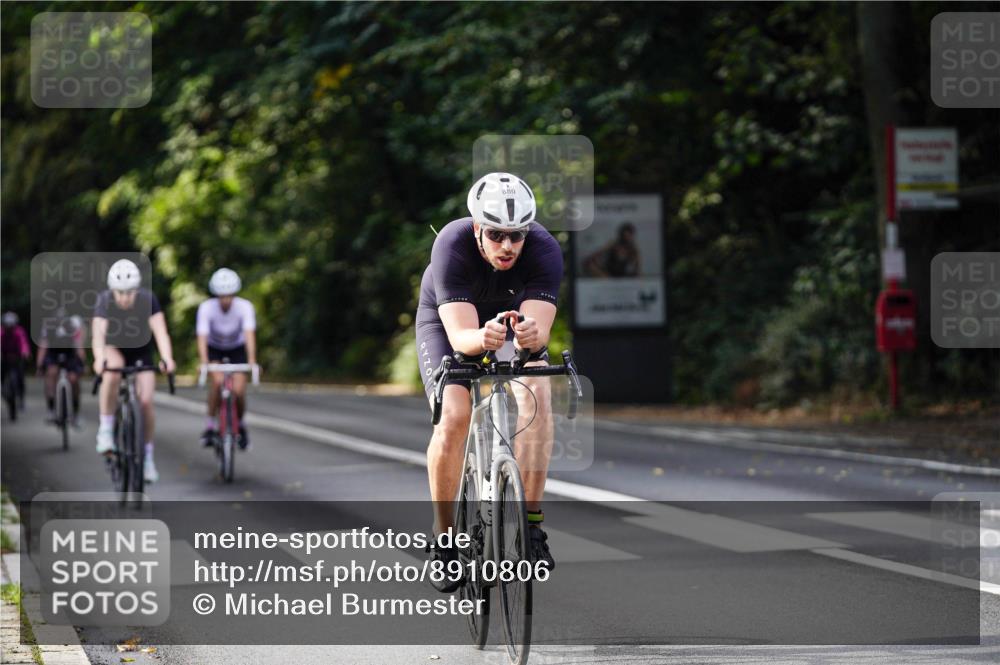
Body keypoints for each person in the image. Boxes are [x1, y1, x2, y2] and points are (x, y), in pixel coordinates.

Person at [416, 172, 563, 592]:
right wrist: (480, 339)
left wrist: (532, 336)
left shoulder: (546, 250)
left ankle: (532, 529)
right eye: (496, 234)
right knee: (455, 416)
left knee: (538, 393)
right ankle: (445, 542)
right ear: (478, 228)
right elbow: (462, 338)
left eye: (516, 235)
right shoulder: (451, 244)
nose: (507, 246)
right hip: (451, 326)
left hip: (508, 325)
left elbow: (537, 332)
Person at [92, 259, 176, 483]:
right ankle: (106, 429)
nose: (125, 297)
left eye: (129, 292)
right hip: (114, 348)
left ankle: (147, 458)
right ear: (113, 291)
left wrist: (167, 358)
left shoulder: (148, 300)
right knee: (113, 370)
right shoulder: (105, 301)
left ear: (137, 290)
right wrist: (99, 358)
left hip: (140, 352)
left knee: (146, 401)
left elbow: (160, 332)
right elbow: (99, 335)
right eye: (120, 292)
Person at [196, 268, 257, 450]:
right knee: (217, 382)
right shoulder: (206, 308)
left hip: (236, 349)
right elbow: (202, 337)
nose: (225, 300)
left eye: (229, 295)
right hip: (214, 349)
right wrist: (204, 361)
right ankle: (210, 425)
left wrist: (252, 360)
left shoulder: (245, 307)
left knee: (238, 390)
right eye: (221, 296)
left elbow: (249, 334)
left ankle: (241, 424)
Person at [36, 309, 86, 427]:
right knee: (51, 373)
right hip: (53, 354)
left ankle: (75, 413)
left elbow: (78, 345)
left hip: (69, 355)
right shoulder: (48, 328)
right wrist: (39, 365)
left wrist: (82, 363)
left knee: (74, 379)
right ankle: (51, 409)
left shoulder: (72, 327)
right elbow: (43, 346)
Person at [1, 311, 31, 410]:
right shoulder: (1, 332)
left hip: (17, 358)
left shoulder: (19, 331)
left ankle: (21, 399)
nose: (9, 329)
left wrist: (25, 353)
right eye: (7, 326)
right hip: (4, 358)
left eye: (11, 326)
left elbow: (24, 344)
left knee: (20, 377)